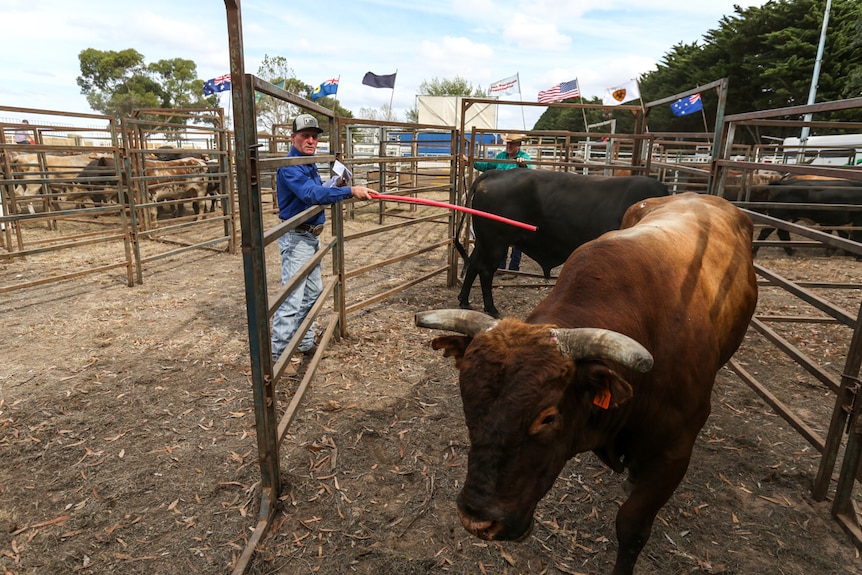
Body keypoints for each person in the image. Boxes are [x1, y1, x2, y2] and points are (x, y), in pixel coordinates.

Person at [271, 114, 375, 363]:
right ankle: (278, 355)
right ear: (292, 137)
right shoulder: (290, 165)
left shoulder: (308, 162)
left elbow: (316, 190)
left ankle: (304, 342)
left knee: (312, 292)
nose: (310, 141)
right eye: (305, 136)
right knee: (293, 297)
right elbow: (310, 194)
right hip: (297, 237)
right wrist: (348, 190)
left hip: (309, 236)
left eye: (314, 137)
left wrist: (335, 185)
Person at [464, 133, 531, 272]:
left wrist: (523, 165)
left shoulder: (524, 158)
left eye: (511, 144)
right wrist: (470, 161)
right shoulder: (501, 157)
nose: (508, 146)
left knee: (517, 235)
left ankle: (513, 267)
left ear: (518, 145)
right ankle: (501, 266)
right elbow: (487, 165)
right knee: (502, 233)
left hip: (517, 203)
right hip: (501, 203)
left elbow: (531, 174)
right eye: (507, 143)